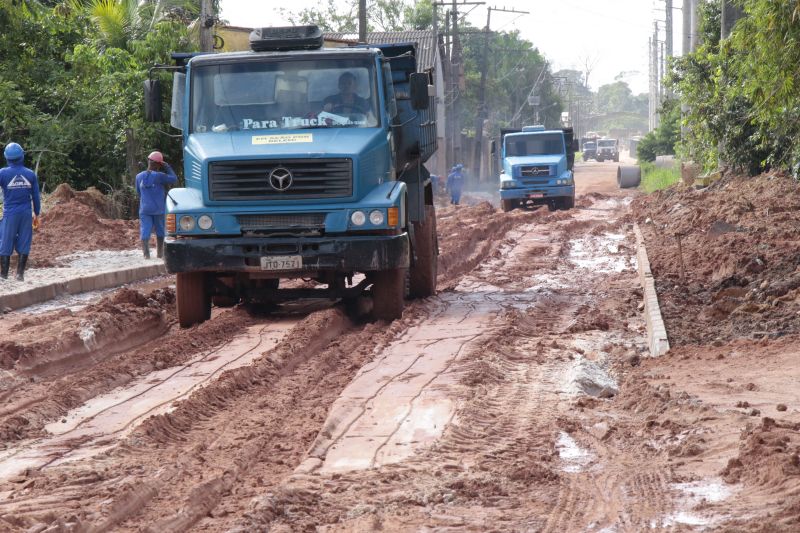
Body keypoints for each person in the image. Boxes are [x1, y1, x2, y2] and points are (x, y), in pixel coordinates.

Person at [0, 142, 41, 281]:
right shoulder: (30, 174)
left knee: (5, 242)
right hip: (26, 213)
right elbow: (36, 196)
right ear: (22, 156)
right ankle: (20, 275)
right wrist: (37, 213)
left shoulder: (3, 173)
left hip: (10, 214)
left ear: (7, 158)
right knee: (25, 241)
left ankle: (4, 275)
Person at [135, 151, 177, 259]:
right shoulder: (160, 176)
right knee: (160, 231)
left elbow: (138, 192)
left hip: (145, 209)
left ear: (148, 161)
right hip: (158, 209)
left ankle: (146, 255)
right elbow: (174, 179)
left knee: (145, 230)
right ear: (159, 164)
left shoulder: (139, 177)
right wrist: (167, 167)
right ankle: (159, 254)